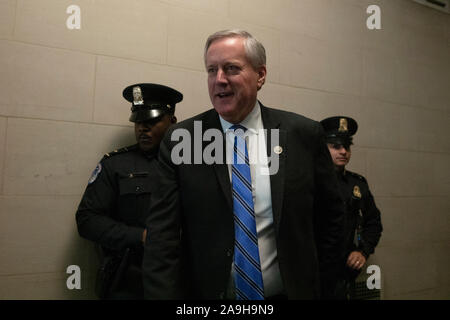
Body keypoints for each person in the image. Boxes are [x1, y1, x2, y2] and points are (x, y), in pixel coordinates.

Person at [142, 30, 345, 300]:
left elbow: (331, 221)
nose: (219, 80)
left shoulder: (303, 135)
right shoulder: (183, 140)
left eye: (231, 69)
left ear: (260, 75)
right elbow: (162, 237)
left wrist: (322, 290)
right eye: (211, 70)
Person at [75, 83, 182, 299]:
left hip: (180, 277)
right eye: (138, 122)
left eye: (151, 121)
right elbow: (87, 220)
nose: (143, 128)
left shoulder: (190, 165)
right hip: (130, 279)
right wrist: (140, 236)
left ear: (172, 122)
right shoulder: (116, 165)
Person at [320, 116, 383, 299]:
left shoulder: (358, 184)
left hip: (345, 273)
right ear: (323, 148)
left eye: (347, 146)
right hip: (314, 272)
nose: (343, 151)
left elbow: (373, 222)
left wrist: (363, 250)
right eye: (336, 146)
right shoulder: (310, 182)